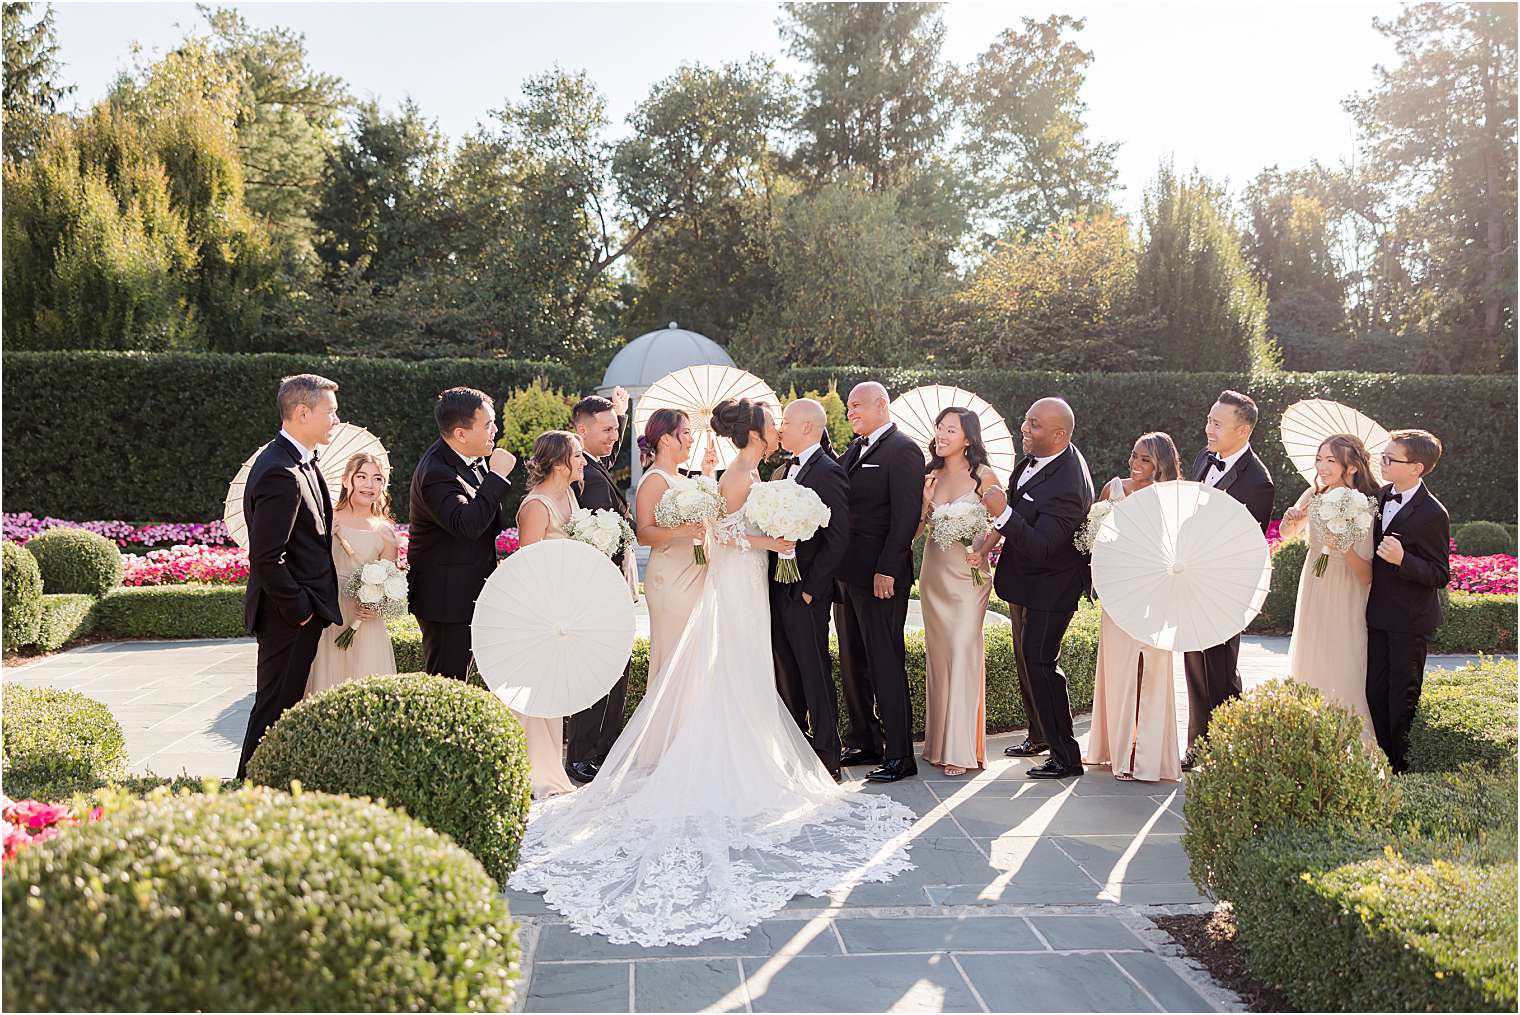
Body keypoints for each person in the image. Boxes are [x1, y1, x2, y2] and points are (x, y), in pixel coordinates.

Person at [509, 398, 914, 947]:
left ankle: (746, 752)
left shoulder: (751, 470)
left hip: (747, 580)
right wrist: (770, 541)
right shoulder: (741, 474)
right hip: (740, 575)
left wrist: (772, 539)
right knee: (738, 669)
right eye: (770, 423)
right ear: (754, 432)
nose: (775, 430)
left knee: (746, 671)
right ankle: (727, 761)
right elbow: (718, 534)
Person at [979, 397, 1094, 780]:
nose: (1024, 429)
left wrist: (1003, 512)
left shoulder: (1069, 483)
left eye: (1035, 424)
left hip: (1053, 586)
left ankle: (1066, 756)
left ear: (1060, 434)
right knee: (1031, 662)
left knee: (1042, 664)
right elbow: (1023, 511)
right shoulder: (1032, 459)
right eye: (1026, 420)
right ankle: (1041, 737)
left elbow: (1045, 546)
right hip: (1025, 581)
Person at [237, 374, 343, 778]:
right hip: (287, 616)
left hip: (299, 613)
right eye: (330, 412)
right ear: (302, 413)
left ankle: (266, 787)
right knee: (273, 708)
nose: (335, 420)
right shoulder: (279, 470)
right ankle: (249, 788)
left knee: (283, 706)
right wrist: (300, 609)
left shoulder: (300, 460)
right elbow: (266, 556)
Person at [836, 382, 925, 783]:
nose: (850, 412)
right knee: (854, 660)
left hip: (880, 577)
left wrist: (887, 568)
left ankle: (900, 755)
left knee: (885, 660)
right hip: (848, 576)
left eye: (856, 405)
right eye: (848, 407)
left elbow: (905, 517)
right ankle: (865, 739)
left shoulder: (903, 450)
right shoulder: (854, 449)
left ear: (880, 404)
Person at [1181, 390, 1274, 770]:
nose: (1209, 429)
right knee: (1194, 665)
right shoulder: (1204, 459)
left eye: (1218, 424)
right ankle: (1198, 744)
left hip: (1224, 588)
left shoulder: (1259, 482)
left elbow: (1245, 545)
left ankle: (1226, 746)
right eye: (1208, 420)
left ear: (1244, 429)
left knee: (1220, 669)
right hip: (1192, 579)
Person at [1084, 433, 1183, 783]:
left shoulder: (1171, 498)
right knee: (1119, 665)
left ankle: (1143, 749)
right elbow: (1095, 537)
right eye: (1133, 456)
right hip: (1117, 590)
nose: (1135, 465)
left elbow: (1177, 549)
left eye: (1144, 460)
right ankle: (1114, 747)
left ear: (1160, 465)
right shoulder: (1113, 489)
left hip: (1155, 590)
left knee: (1150, 667)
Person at [407, 388, 516, 680]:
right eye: (488, 425)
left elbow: (491, 523)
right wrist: (498, 478)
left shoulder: (476, 459)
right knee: (446, 684)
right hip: (446, 601)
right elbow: (467, 525)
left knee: (461, 683)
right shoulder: (436, 472)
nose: (496, 430)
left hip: (470, 594)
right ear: (460, 433)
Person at [1280, 435, 1379, 745]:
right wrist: (1292, 518)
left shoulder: (1362, 503)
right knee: (1310, 654)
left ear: (1351, 467)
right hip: (1314, 582)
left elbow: (1366, 574)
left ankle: (1350, 743)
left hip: (1345, 589)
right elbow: (1287, 533)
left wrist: (1344, 546)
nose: (1322, 466)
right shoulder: (1314, 493)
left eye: (1330, 461)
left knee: (1342, 660)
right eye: (1319, 459)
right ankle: (1310, 738)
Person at [771, 398, 851, 781]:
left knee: (814, 670)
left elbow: (838, 538)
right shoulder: (786, 470)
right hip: (778, 589)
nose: (779, 428)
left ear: (807, 427)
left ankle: (827, 754)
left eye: (785, 421)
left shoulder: (828, 472)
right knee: (787, 669)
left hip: (805, 592)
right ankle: (796, 747)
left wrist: (811, 589)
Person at [917, 407, 998, 778]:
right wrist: (923, 504)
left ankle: (962, 749)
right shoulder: (930, 476)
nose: (942, 434)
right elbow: (918, 532)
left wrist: (982, 550)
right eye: (939, 427)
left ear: (968, 437)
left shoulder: (983, 476)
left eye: (951, 429)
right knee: (940, 658)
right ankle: (938, 742)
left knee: (964, 652)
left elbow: (1003, 521)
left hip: (969, 578)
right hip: (934, 574)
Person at [1366, 429, 1450, 774]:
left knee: (1402, 699)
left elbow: (1440, 574)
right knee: (1374, 695)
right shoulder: (1379, 497)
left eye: (1390, 459)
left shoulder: (1433, 513)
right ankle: (1384, 764)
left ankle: (1403, 772)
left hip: (1410, 622)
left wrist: (1404, 559)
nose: (1382, 463)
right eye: (1382, 456)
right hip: (1378, 615)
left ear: (1416, 467)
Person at [564, 390, 633, 783]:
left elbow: (609, 449)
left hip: (610, 582)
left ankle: (602, 750)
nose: (613, 436)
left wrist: (620, 415)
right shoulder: (585, 475)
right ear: (581, 430)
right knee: (600, 671)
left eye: (614, 429)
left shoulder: (593, 464)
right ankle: (583, 754)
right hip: (596, 587)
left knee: (614, 670)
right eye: (605, 429)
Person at [512, 431, 584, 800]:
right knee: (536, 691)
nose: (583, 461)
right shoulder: (537, 507)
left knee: (553, 691)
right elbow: (528, 565)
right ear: (559, 463)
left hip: (563, 605)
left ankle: (550, 767)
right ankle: (531, 772)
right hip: (538, 610)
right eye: (577, 455)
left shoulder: (569, 496)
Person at [634, 409, 716, 694]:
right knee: (674, 653)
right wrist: (680, 532)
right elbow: (643, 533)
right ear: (667, 439)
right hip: (671, 579)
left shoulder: (682, 478)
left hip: (693, 573)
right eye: (685, 433)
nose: (691, 440)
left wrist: (706, 474)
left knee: (693, 656)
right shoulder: (654, 480)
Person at [305, 452, 400, 697]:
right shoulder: (327, 519)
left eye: (377, 479)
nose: (370, 485)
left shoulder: (385, 531)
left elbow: (392, 580)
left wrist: (376, 605)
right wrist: (325, 536)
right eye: (362, 477)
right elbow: (309, 565)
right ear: (346, 480)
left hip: (365, 620)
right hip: (331, 611)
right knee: (328, 680)